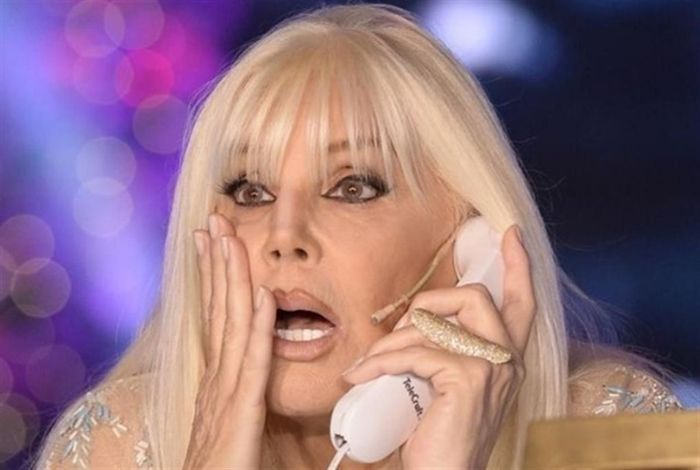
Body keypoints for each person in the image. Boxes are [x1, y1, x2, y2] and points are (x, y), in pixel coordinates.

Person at [33, 3, 683, 469]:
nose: (284, 236)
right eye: (251, 191)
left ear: (471, 243)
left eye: (353, 188)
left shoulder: (618, 428)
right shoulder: (115, 443)